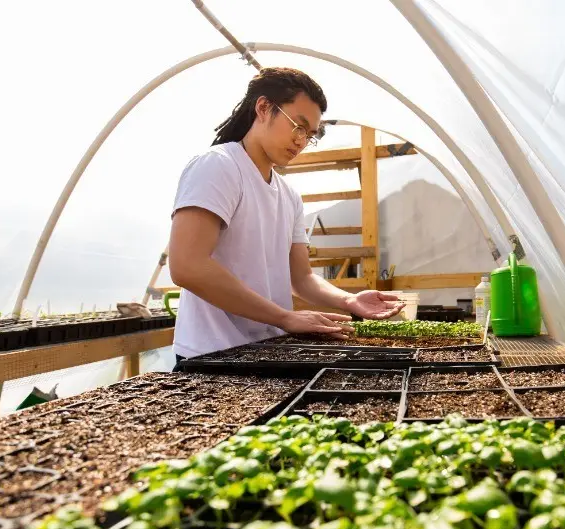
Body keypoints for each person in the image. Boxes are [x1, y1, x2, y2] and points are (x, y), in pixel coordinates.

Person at [168, 67, 404, 360]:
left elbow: (301, 278)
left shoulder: (289, 195)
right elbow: (187, 266)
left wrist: (349, 299)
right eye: (298, 126)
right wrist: (284, 317)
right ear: (264, 108)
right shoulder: (218, 166)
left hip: (267, 353)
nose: (301, 141)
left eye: (310, 135)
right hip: (211, 355)